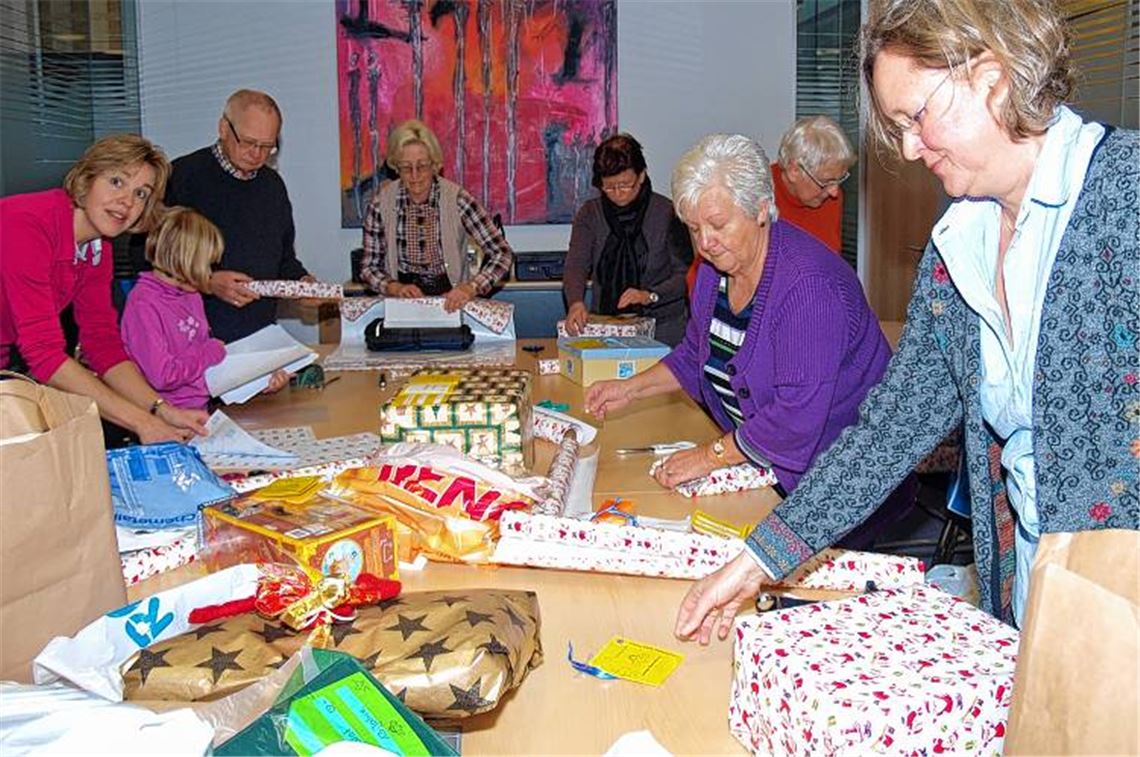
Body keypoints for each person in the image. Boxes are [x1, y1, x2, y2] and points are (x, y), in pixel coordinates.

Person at [675, 0, 1139, 642]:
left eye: (916, 117)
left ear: (992, 75)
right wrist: (763, 557)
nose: (912, 149)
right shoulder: (960, 243)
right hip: (1036, 587)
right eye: (898, 128)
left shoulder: (1126, 196)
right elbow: (889, 430)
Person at [586, 134, 915, 546]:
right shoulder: (715, 268)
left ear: (761, 208)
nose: (705, 242)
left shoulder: (808, 287)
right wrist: (629, 389)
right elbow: (696, 354)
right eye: (693, 228)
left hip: (842, 485)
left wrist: (709, 457)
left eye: (718, 225)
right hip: (767, 472)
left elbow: (795, 421)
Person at [0, 135, 208, 443]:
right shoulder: (26, 224)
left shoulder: (97, 249)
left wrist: (161, 410)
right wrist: (140, 422)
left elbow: (102, 344)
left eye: (141, 193)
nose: (128, 201)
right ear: (87, 180)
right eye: (116, 181)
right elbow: (43, 353)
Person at [163, 89, 313, 344]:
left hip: (259, 335)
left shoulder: (272, 186)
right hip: (196, 341)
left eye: (267, 147)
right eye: (248, 142)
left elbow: (283, 259)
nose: (257, 154)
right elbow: (150, 262)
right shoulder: (182, 177)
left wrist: (303, 283)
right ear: (224, 128)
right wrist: (207, 282)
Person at [359, 119, 514, 312]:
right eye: (406, 168)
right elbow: (368, 268)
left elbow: (502, 254)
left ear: (434, 165)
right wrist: (395, 287)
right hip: (401, 306)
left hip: (452, 302)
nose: (415, 175)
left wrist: (470, 288)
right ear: (396, 168)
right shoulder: (380, 204)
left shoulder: (458, 199)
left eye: (422, 166)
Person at [685, 116, 855, 291]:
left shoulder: (829, 199)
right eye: (825, 182)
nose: (834, 192)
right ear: (794, 170)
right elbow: (706, 274)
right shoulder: (751, 194)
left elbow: (830, 263)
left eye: (839, 180)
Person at [563, 133, 694, 346]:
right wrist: (576, 302)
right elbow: (576, 265)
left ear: (641, 176)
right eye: (609, 187)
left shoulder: (667, 213)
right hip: (606, 324)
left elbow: (686, 274)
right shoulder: (589, 214)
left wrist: (649, 295)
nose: (618, 194)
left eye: (625, 185)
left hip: (664, 327)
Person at [120, 207, 227, 412]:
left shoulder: (191, 294)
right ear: (185, 261)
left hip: (200, 408)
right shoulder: (143, 305)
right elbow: (163, 376)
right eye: (207, 265)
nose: (210, 273)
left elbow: (198, 350)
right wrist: (211, 352)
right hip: (166, 417)